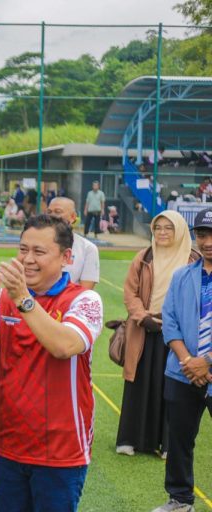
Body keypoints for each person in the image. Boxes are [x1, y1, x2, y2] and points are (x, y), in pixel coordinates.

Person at [0, 214, 103, 512]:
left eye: (39, 252)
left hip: (61, 451)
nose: (27, 259)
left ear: (66, 257)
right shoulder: (5, 298)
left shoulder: (85, 300)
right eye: (23, 249)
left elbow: (63, 346)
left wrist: (23, 299)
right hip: (9, 444)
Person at [118, 211, 198, 459]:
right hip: (144, 329)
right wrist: (143, 317)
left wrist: (173, 322)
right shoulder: (144, 257)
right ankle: (130, 439)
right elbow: (130, 292)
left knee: (173, 388)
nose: (162, 232)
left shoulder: (193, 260)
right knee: (139, 383)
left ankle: (167, 444)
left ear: (180, 231)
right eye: (158, 227)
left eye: (168, 228)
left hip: (179, 335)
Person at [153, 207, 212, 512]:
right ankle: (180, 499)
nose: (208, 242)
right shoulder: (182, 275)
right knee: (179, 440)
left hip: (204, 369)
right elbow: (170, 320)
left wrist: (207, 361)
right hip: (182, 372)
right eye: (202, 234)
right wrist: (188, 360)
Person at [47, 197, 99, 289]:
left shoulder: (88, 249)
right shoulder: (35, 243)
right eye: (49, 212)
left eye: (58, 212)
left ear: (73, 217)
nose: (52, 216)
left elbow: (85, 290)